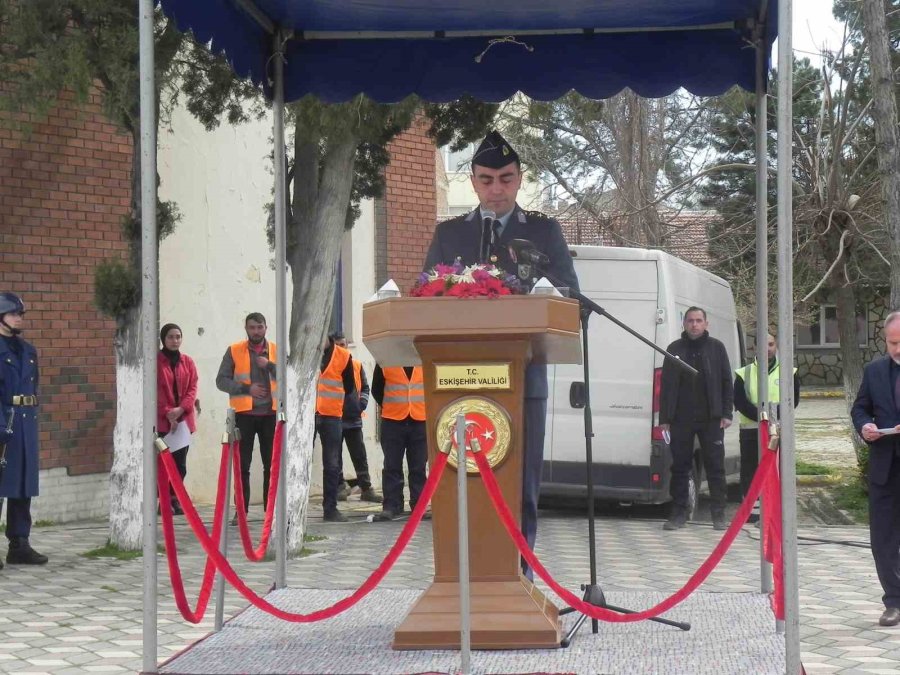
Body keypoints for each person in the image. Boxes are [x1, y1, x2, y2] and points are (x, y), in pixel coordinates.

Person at [423, 130, 579, 562]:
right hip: (455, 385)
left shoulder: (544, 232)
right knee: (461, 483)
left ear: (520, 179)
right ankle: (462, 579)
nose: (497, 189)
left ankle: (520, 576)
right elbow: (425, 298)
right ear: (472, 181)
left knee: (521, 485)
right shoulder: (449, 234)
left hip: (522, 380)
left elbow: (571, 299)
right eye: (487, 179)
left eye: (506, 179)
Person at [659, 306, 734, 532]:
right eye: (690, 320)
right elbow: (666, 387)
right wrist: (665, 418)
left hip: (711, 418)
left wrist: (727, 413)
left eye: (698, 320)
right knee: (680, 466)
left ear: (706, 324)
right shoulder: (674, 349)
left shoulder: (716, 348)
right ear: (684, 323)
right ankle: (679, 513)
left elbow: (726, 382)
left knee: (715, 467)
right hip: (681, 419)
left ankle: (718, 514)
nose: (694, 324)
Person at [851, 310, 900, 627]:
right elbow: (860, 407)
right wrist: (866, 425)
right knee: (882, 539)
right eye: (893, 342)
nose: (897, 348)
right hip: (885, 467)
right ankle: (893, 601)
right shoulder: (875, 371)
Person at [0, 292, 48, 566]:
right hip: (4, 418)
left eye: (20, 314)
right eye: (14, 314)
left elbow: (33, 385)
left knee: (22, 485)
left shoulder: (27, 350)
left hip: (25, 420)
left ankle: (19, 543)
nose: (19, 318)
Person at [216, 313, 277, 525]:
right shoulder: (234, 350)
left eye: (260, 327)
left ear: (266, 328)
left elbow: (290, 376)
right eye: (252, 327)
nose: (256, 331)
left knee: (271, 465)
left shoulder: (276, 351)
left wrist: (269, 365)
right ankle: (241, 511)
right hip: (244, 416)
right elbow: (221, 381)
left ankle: (271, 511)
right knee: (242, 466)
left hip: (271, 415)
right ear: (246, 328)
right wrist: (246, 388)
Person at [733, 332, 799, 524]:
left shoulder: (789, 372)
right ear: (754, 347)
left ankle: (775, 510)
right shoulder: (743, 373)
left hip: (779, 430)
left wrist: (773, 417)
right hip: (751, 430)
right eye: (763, 345)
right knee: (751, 470)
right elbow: (739, 400)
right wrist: (762, 418)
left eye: (770, 344)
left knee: (779, 469)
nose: (767, 349)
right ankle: (752, 511)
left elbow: (793, 400)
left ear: (775, 346)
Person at [370, 365, 427, 522]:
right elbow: (377, 389)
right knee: (391, 465)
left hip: (420, 419)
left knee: (418, 466)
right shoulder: (385, 359)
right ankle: (391, 505)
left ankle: (419, 505)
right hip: (392, 420)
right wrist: (392, 405)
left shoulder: (422, 356)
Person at [331, 334, 381, 504]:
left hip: (353, 419)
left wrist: (362, 404)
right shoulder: (327, 367)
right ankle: (338, 487)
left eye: (343, 344)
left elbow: (365, 387)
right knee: (334, 456)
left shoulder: (356, 366)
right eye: (337, 345)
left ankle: (366, 489)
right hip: (333, 419)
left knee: (359, 455)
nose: (340, 348)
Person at [156, 323, 199, 516]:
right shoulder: (155, 361)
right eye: (171, 337)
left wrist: (180, 410)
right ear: (163, 339)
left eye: (178, 337)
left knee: (180, 464)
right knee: (164, 464)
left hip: (182, 421)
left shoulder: (187, 361)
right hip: (163, 422)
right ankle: (163, 500)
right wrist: (168, 412)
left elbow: (192, 388)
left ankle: (176, 498)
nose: (175, 340)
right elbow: (155, 391)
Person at [316, 332, 357, 522]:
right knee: (299, 461)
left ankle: (330, 509)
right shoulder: (307, 351)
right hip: (308, 415)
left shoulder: (343, 356)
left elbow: (349, 387)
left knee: (332, 464)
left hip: (332, 415)